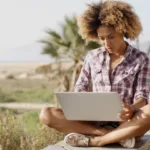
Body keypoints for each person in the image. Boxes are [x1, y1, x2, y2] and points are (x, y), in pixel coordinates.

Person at [39, 0, 150, 148]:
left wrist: (132, 108)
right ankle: (104, 133)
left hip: (127, 121)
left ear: (122, 30)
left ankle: (97, 140)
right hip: (93, 121)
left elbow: (142, 96)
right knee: (46, 114)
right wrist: (85, 99)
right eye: (101, 38)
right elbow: (80, 86)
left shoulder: (141, 59)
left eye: (111, 37)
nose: (106, 43)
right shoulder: (92, 56)